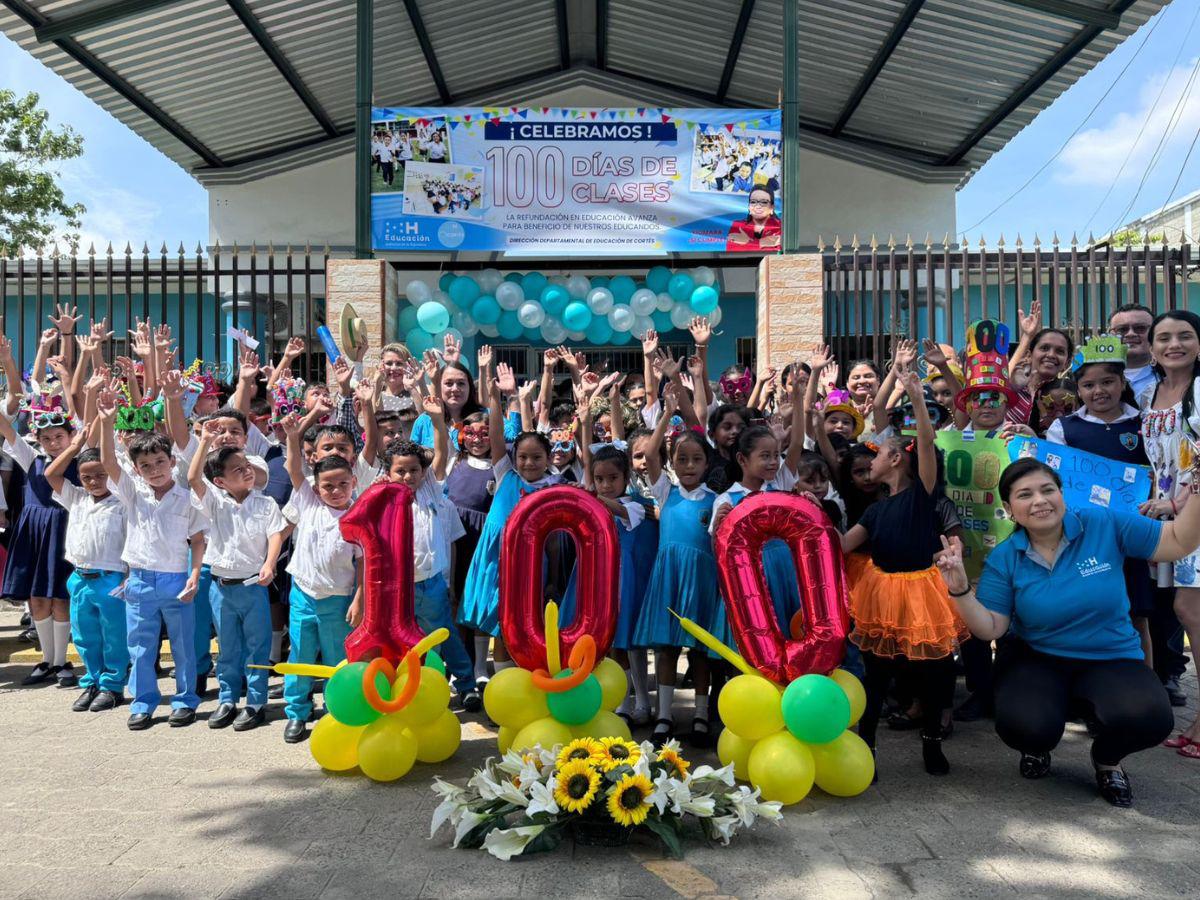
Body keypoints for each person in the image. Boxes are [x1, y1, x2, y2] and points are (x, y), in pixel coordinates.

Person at [938, 455, 1200, 805]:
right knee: (1025, 725)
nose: (1040, 501)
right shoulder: (1005, 556)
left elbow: (1179, 541)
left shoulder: (1101, 522)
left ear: (1062, 494)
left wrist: (1196, 487)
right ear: (1009, 507)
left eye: (1048, 490)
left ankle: (1107, 761)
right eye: (1025, 494)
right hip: (1038, 658)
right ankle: (1037, 746)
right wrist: (958, 589)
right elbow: (990, 629)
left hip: (1110, 657)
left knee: (1150, 718)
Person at [841, 367, 966, 777]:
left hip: (922, 595)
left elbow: (926, 443)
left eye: (876, 454)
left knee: (935, 673)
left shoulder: (922, 495)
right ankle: (867, 746)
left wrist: (914, 394)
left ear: (895, 459)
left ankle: (932, 742)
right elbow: (841, 546)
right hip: (881, 593)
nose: (869, 460)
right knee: (876, 677)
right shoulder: (875, 510)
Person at [98, 402, 208, 730]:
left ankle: (185, 700)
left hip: (176, 579)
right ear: (136, 469)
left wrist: (195, 574)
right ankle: (143, 701)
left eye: (160, 462)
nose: (155, 469)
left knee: (183, 644)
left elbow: (198, 540)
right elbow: (107, 461)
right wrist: (105, 423)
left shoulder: (187, 498)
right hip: (140, 581)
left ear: (172, 462)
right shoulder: (134, 494)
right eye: (146, 465)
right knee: (140, 644)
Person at [1045, 335, 1153, 664]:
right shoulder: (1064, 428)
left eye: (1107, 382)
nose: (1099, 391)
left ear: (1122, 383)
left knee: (1137, 612)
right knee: (1086, 611)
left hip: (1133, 536)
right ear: (1078, 390)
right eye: (1089, 385)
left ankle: (1146, 680)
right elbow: (1055, 480)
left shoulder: (1145, 422)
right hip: (1085, 536)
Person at [562, 384, 661, 727]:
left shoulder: (633, 504)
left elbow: (617, 506)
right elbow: (589, 462)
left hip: (631, 581)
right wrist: (585, 418)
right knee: (616, 644)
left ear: (626, 477)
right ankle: (623, 700)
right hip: (607, 581)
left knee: (634, 644)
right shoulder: (601, 494)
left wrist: (592, 493)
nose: (605, 485)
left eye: (613, 478)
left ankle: (645, 703)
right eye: (600, 480)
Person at [458, 346, 559, 680]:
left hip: (529, 562)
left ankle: (509, 677)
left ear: (548, 459)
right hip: (494, 556)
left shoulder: (552, 487)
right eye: (523, 457)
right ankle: (483, 675)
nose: (528, 463)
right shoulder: (505, 474)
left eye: (536, 458)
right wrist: (497, 397)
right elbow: (498, 435)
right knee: (488, 613)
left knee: (512, 622)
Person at [187, 422, 285, 732]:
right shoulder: (215, 501)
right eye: (237, 469)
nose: (246, 472)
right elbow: (192, 477)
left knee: (257, 646)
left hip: (252, 585)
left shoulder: (265, 503)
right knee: (227, 646)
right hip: (221, 587)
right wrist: (204, 442)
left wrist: (269, 564)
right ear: (219, 480)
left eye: (247, 466)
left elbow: (275, 536)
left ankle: (255, 702)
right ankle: (227, 699)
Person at [381, 398, 477, 709]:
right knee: (405, 641)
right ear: (388, 473)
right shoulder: (383, 499)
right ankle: (412, 688)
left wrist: (438, 422)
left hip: (432, 582)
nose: (408, 477)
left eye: (413, 471)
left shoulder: (429, 491)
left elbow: (441, 455)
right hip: (398, 587)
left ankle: (465, 684)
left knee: (444, 636)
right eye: (400, 471)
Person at [633, 410, 721, 746]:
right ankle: (664, 715)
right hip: (668, 579)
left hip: (700, 581)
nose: (688, 465)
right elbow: (651, 453)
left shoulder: (717, 501)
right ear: (671, 461)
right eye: (681, 459)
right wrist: (667, 413)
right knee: (666, 648)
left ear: (706, 464)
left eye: (696, 459)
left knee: (699, 651)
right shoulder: (665, 492)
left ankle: (700, 715)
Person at [279, 415, 364, 743]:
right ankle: (297, 711)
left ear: (353, 483)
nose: (336, 491)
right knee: (300, 655)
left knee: (336, 659)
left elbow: (363, 564)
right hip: (304, 594)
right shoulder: (308, 500)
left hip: (339, 599)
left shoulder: (358, 515)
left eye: (343, 484)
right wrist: (292, 433)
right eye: (328, 485)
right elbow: (294, 468)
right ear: (316, 487)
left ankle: (336, 710)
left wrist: (359, 599)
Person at [1139, 309, 1200, 752]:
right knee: (1187, 613)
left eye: (1184, 335)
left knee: (1190, 612)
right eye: (1164, 337)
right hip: (1169, 517)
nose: (1172, 344)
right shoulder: (1150, 392)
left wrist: (1179, 503)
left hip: (1192, 512)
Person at [45, 428, 129, 712]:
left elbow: (132, 541)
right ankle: (92, 681)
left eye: (100, 474)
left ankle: (113, 685)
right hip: (80, 577)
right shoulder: (77, 497)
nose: (94, 481)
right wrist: (74, 447)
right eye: (86, 476)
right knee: (84, 635)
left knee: (113, 635)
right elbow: (51, 475)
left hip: (111, 578)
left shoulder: (122, 503)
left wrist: (128, 577)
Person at [0, 394, 79, 687]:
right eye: (46, 438)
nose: (53, 442)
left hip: (63, 530)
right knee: (37, 598)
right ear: (38, 440)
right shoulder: (30, 457)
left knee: (61, 597)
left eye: (59, 436)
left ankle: (61, 662)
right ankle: (46, 660)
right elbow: (6, 428)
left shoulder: (78, 459)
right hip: (34, 532)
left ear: (71, 436)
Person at [1110, 303, 1157, 398]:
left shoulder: (1169, 376)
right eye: (1122, 329)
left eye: (1140, 328)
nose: (1130, 334)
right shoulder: (1092, 376)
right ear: (1110, 335)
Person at [725, 188, 781, 252]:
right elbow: (731, 250)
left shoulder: (782, 226)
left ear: (772, 207)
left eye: (764, 202)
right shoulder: (738, 225)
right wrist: (762, 243)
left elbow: (779, 252)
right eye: (753, 202)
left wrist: (747, 243)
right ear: (749, 207)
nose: (758, 206)